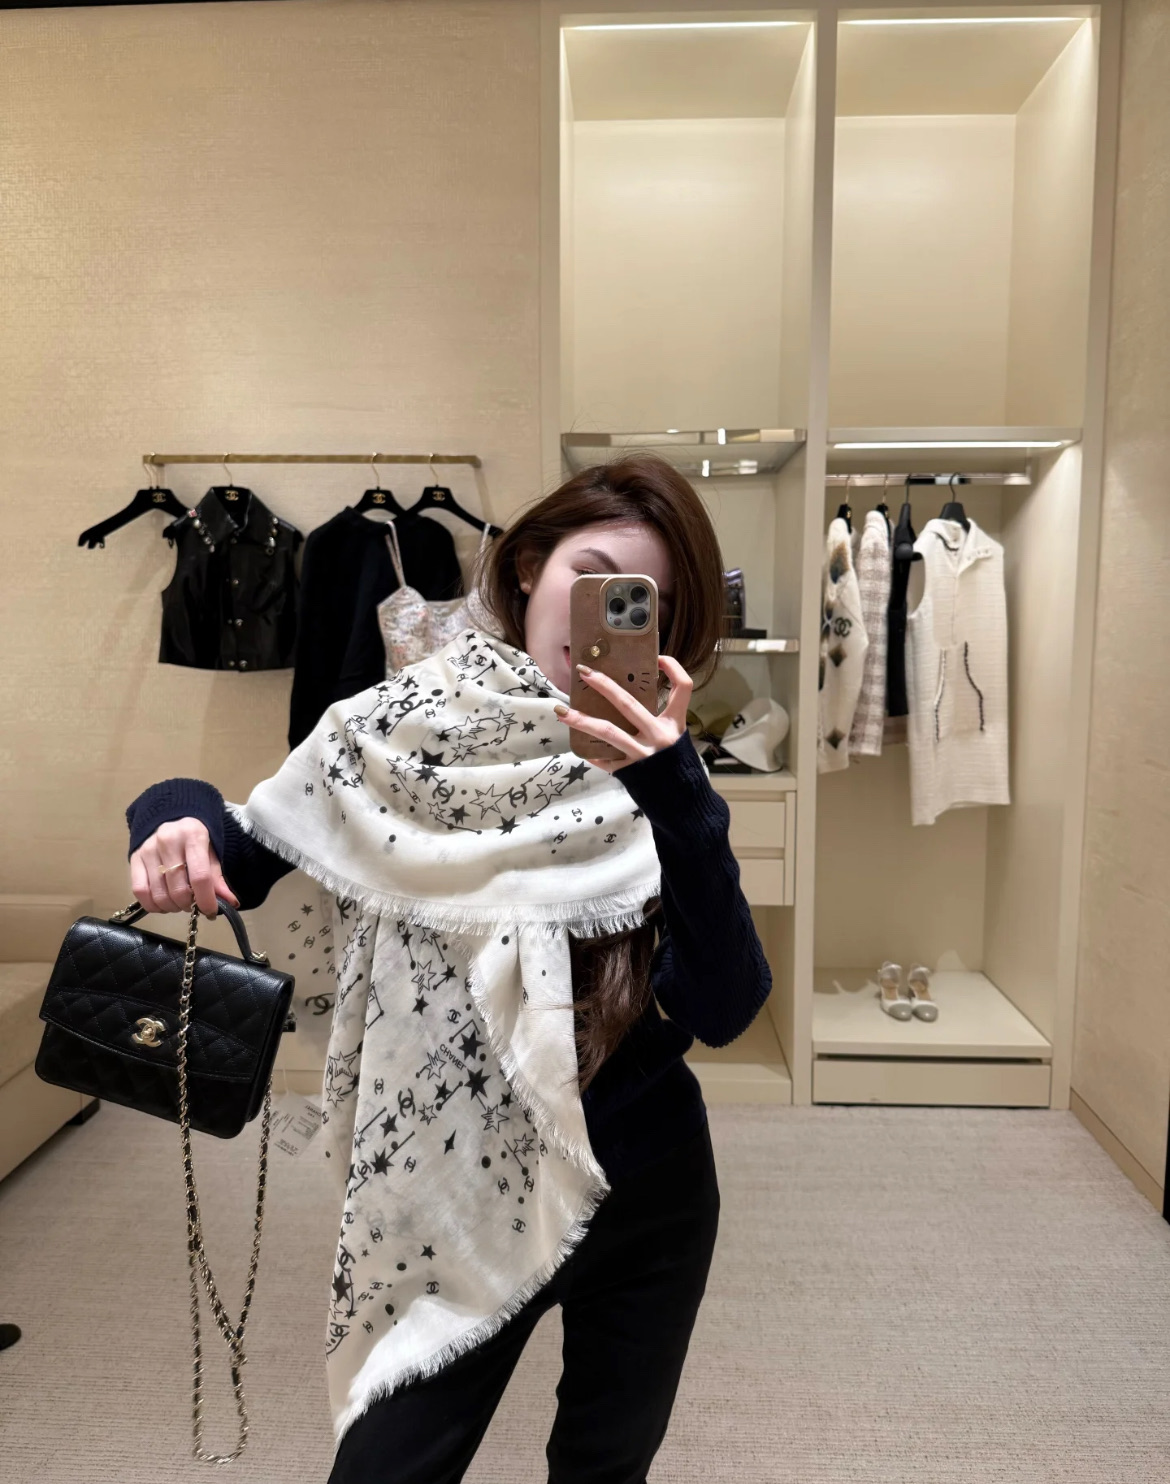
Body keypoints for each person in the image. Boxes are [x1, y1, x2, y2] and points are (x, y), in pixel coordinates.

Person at [126, 453, 773, 1484]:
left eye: (646, 601)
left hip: (649, 1184)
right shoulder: (396, 727)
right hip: (451, 1188)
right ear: (527, 567)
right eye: (594, 577)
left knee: (605, 1468)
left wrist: (675, 790)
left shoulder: (660, 772)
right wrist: (172, 818)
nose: (609, 613)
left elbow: (724, 1005)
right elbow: (239, 848)